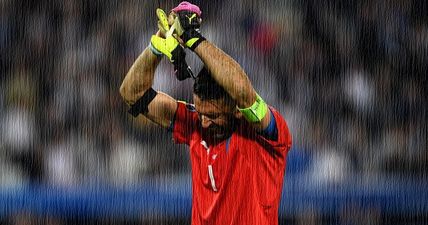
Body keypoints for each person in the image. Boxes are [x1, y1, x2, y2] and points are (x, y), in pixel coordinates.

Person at [119, 2, 292, 224]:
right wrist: (159, 42)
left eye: (213, 115)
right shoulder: (194, 123)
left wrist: (194, 39)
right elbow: (131, 93)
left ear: (237, 110)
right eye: (201, 112)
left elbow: (242, 91)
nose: (204, 122)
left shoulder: (267, 132)